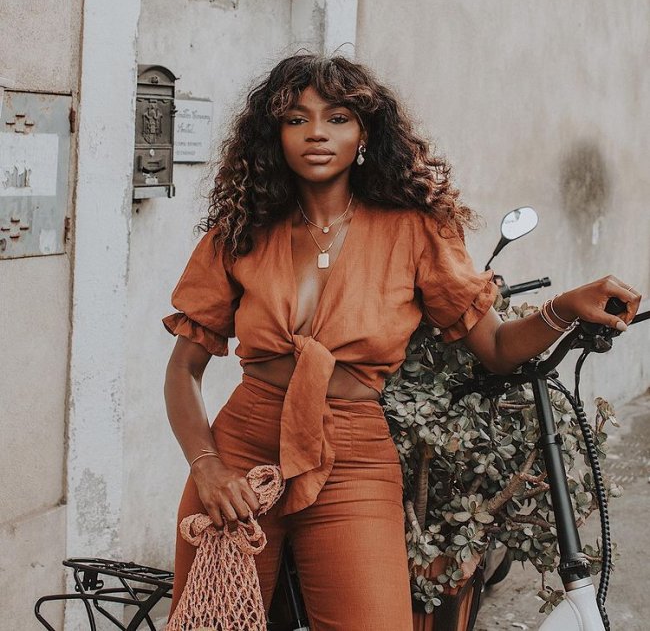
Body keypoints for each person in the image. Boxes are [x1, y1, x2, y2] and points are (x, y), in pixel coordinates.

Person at [162, 53, 641, 630]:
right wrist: (208, 468)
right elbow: (183, 371)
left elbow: (495, 348)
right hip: (241, 453)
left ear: (365, 132)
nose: (317, 132)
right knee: (214, 623)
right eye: (296, 119)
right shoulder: (240, 231)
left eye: (337, 117)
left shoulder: (414, 228)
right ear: (274, 137)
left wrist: (562, 311)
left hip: (354, 458)